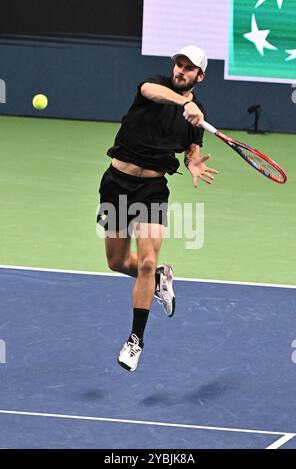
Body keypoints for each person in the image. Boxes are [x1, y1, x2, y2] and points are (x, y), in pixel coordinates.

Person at [97, 45, 218, 372]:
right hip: (115, 183)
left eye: (188, 68)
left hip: (152, 190)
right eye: (178, 64)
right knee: (117, 261)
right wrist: (185, 103)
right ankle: (162, 277)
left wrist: (193, 163)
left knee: (147, 260)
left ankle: (135, 339)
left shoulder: (197, 117)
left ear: (199, 76)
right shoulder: (155, 86)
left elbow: (192, 152)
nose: (180, 70)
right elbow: (149, 90)